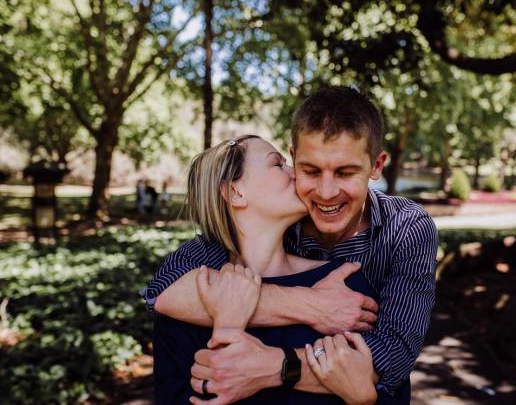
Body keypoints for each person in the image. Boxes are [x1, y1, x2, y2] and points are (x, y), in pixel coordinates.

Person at [142, 86, 438, 404]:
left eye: (346, 172)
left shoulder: (398, 236)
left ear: (376, 167)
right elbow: (160, 290)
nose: (325, 193)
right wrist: (310, 305)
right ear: (295, 160)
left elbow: (388, 362)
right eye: (308, 170)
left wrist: (276, 366)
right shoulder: (221, 262)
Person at [153, 135, 379, 404]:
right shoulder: (184, 304)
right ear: (235, 193)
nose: (296, 173)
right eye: (278, 164)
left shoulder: (343, 285)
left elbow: (386, 389)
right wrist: (227, 329)